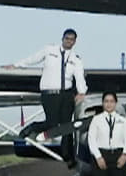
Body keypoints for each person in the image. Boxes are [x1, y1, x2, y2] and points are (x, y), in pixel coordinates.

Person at [6, 28, 87, 168]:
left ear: (75, 42)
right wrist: (16, 65)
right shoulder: (49, 50)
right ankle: (32, 128)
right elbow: (33, 59)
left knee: (68, 125)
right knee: (53, 122)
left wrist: (81, 92)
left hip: (67, 94)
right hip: (49, 93)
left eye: (72, 39)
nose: (69, 41)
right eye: (67, 38)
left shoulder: (76, 59)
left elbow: (79, 77)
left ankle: (68, 156)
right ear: (62, 38)